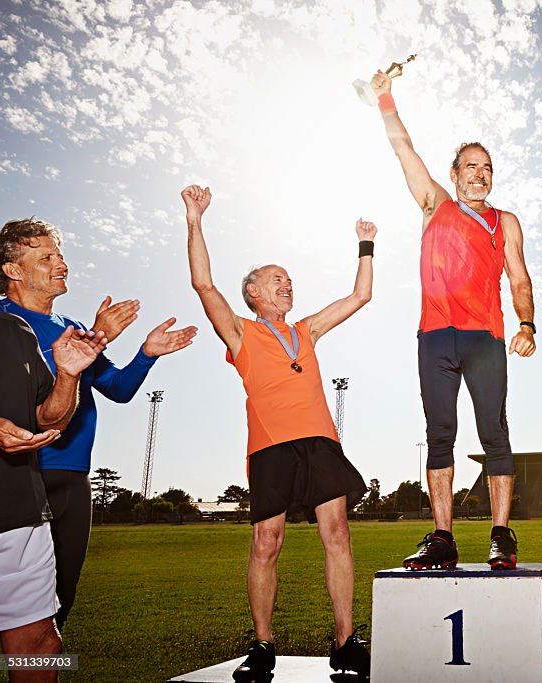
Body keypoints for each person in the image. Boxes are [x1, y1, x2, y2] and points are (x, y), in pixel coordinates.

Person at [182, 184, 374, 681]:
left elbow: (361, 295)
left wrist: (365, 245)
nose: (286, 285)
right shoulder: (241, 332)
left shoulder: (306, 330)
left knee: (338, 535)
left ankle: (345, 641)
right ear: (253, 292)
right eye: (275, 279)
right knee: (267, 543)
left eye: (289, 279)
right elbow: (204, 285)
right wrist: (196, 218)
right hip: (270, 447)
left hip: (320, 443)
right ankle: (263, 644)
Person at [0, 218, 197, 632]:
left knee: (55, 612)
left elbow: (118, 389)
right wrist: (96, 337)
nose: (61, 264)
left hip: (71, 479)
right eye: (46, 256)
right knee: (5, 612)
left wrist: (145, 354)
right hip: (15, 479)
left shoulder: (73, 330)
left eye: (61, 255)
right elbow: (37, 390)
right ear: (13, 270)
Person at [369, 70, 536, 571]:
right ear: (455, 173)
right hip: (436, 337)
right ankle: (443, 536)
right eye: (471, 166)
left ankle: (501, 535)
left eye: (487, 167)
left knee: (495, 433)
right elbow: (403, 148)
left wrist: (527, 325)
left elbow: (520, 280)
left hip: (486, 339)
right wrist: (384, 97)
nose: (480, 174)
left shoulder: (504, 221)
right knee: (440, 433)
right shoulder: (435, 204)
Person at [0, 312, 107, 683]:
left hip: (22, 510)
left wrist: (68, 376)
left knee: (43, 646)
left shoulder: (14, 329)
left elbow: (49, 419)